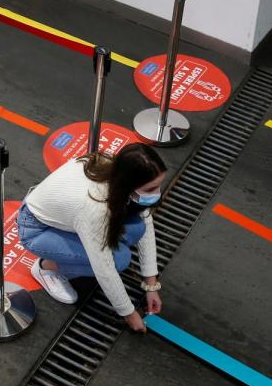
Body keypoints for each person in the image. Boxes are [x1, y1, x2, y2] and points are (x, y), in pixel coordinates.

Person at [17, 143, 165, 333]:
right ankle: (46, 268)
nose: (156, 194)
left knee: (137, 227)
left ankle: (75, 253)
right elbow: (104, 268)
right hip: (36, 229)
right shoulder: (95, 208)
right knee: (119, 259)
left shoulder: (119, 169)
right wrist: (129, 313)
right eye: (151, 189)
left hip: (69, 219)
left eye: (158, 186)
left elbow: (146, 218)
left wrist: (151, 284)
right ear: (128, 186)